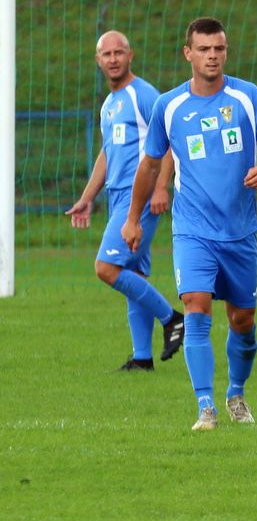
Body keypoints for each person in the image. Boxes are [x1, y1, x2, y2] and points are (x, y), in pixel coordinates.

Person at [122, 17, 257, 431]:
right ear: (188, 53)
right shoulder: (169, 106)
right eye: (204, 49)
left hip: (240, 231)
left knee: (242, 320)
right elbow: (150, 164)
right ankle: (205, 406)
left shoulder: (247, 96)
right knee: (195, 304)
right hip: (192, 229)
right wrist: (132, 218)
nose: (213, 56)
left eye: (219, 49)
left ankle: (236, 394)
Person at [66, 30, 184, 371]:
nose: (113, 59)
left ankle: (173, 318)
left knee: (106, 268)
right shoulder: (109, 104)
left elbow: (169, 142)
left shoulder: (143, 95)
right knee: (133, 273)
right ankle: (142, 358)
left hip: (140, 197)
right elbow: (107, 154)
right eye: (107, 54)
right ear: (98, 61)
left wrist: (161, 186)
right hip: (117, 196)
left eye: (119, 52)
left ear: (130, 56)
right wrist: (87, 198)